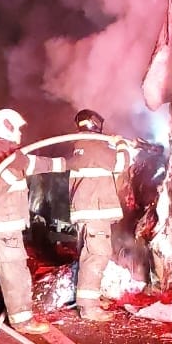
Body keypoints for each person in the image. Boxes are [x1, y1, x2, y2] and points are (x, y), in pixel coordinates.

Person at [0, 108, 60, 335]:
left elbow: (42, 164)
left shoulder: (10, 156)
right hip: (3, 225)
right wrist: (13, 168)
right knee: (15, 269)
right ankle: (22, 319)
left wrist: (74, 162)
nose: (20, 132)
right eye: (17, 128)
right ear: (7, 127)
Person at [57, 108, 136, 322]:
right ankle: (89, 307)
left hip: (89, 212)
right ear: (94, 123)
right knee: (98, 255)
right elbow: (122, 163)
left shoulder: (81, 146)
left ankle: (89, 299)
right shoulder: (95, 146)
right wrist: (121, 143)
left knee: (90, 255)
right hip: (96, 211)